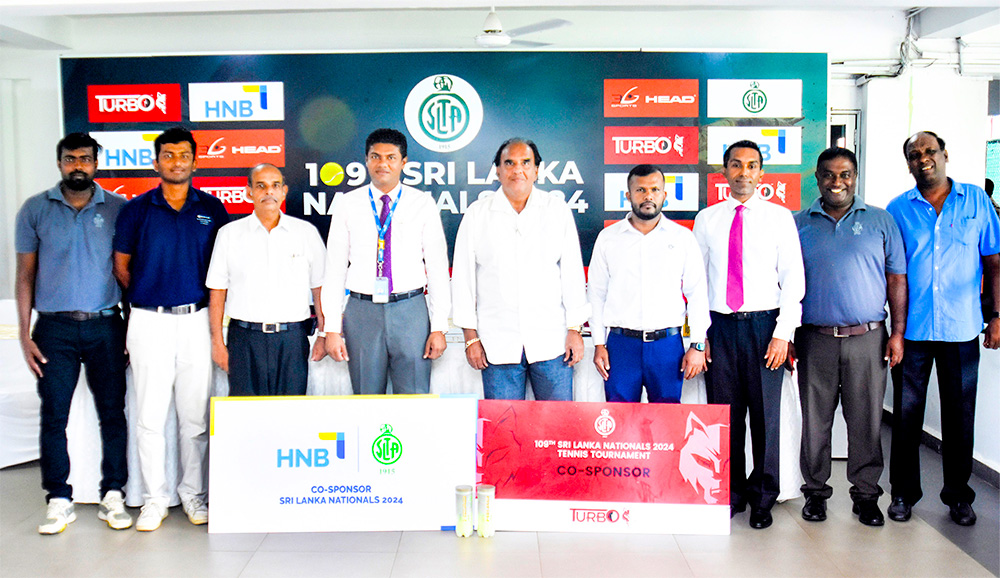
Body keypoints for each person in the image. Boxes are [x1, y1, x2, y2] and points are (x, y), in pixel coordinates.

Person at [113, 126, 229, 531]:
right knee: (149, 416)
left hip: (197, 320)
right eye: (168, 155)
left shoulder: (212, 209)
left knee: (194, 418)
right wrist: (152, 294)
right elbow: (122, 267)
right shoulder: (136, 209)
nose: (176, 162)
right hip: (148, 320)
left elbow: (221, 272)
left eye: (183, 155)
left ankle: (193, 495)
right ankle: (154, 499)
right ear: (156, 161)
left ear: (195, 161)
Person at [15, 133, 132, 534]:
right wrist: (24, 334)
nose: (77, 165)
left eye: (85, 158)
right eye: (70, 159)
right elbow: (25, 275)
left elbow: (127, 274)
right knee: (54, 415)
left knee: (113, 414)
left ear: (96, 163)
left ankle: (113, 494)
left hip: (106, 325)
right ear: (60, 163)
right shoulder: (35, 209)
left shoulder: (118, 209)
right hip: (54, 329)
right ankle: (58, 499)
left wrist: (130, 329)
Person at [885, 131, 1000, 527]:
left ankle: (958, 497)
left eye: (929, 151)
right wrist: (896, 330)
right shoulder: (898, 209)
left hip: (961, 330)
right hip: (912, 332)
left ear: (944, 154)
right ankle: (903, 494)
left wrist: (996, 316)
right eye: (915, 154)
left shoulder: (976, 201)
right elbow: (895, 273)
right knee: (905, 417)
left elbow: (994, 262)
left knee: (959, 418)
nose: (923, 159)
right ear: (908, 164)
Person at [692, 139, 805, 529]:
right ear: (724, 171)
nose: (743, 172)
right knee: (725, 416)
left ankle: (763, 497)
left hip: (764, 328)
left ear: (761, 172)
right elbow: (697, 284)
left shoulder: (779, 218)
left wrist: (782, 334)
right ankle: (731, 492)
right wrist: (699, 335)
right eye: (736, 164)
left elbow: (793, 280)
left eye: (751, 165)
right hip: (719, 327)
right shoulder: (707, 219)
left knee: (765, 418)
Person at [794, 147, 907, 526]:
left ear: (855, 177)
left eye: (845, 174)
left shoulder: (880, 220)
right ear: (817, 178)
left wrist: (898, 333)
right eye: (828, 174)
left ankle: (866, 495)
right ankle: (815, 493)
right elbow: (784, 283)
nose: (836, 182)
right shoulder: (798, 223)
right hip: (815, 339)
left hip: (868, 339)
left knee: (866, 421)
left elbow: (897, 279)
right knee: (815, 422)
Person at [452, 138, 590, 400]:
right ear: (498, 170)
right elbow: (463, 279)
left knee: (556, 422)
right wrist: (470, 337)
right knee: (504, 423)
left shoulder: (556, 210)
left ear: (536, 170)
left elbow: (572, 273)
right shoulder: (477, 214)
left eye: (526, 163)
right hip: (496, 343)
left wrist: (575, 330)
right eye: (509, 163)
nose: (518, 170)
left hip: (552, 341)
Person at [321, 128, 449, 394]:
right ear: (366, 161)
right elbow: (334, 270)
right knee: (366, 396)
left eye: (391, 157)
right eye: (375, 157)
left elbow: (437, 269)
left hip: (411, 310)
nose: (383, 164)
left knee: (414, 395)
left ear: (404, 162)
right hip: (362, 312)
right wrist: (331, 328)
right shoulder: (347, 204)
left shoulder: (422, 203)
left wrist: (439, 327)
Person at [587, 164, 709, 403]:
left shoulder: (682, 238)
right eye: (640, 190)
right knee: (620, 419)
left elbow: (697, 293)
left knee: (667, 419)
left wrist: (697, 344)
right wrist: (599, 343)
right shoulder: (608, 239)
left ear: (664, 195)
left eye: (654, 189)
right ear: (628, 195)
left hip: (667, 347)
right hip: (621, 346)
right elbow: (596, 294)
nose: (648, 196)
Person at [207, 164, 327, 396]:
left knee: (290, 411)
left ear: (284, 191)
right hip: (244, 340)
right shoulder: (229, 234)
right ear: (249, 192)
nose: (268, 192)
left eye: (275, 185)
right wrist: (218, 344)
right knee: (245, 412)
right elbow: (217, 291)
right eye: (261, 186)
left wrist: (323, 334)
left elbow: (320, 288)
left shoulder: (306, 233)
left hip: (292, 340)